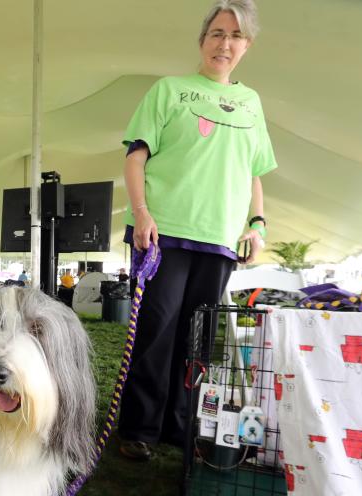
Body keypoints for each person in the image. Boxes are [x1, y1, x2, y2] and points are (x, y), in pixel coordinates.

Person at [117, 0, 275, 461]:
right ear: (203, 40)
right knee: (156, 330)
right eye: (217, 34)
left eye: (235, 36)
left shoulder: (252, 104)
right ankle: (140, 431)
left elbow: (254, 172)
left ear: (247, 45)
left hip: (221, 239)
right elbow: (135, 155)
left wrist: (257, 224)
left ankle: (180, 426)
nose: (224, 44)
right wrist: (142, 212)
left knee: (198, 339)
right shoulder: (170, 90)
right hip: (163, 232)